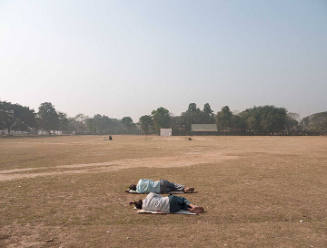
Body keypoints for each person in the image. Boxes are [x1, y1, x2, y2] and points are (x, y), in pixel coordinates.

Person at [129, 192, 204, 214]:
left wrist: (133, 203)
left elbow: (138, 206)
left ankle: (188, 209)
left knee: (180, 206)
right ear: (141, 200)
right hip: (169, 201)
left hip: (171, 210)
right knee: (182, 199)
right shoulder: (149, 196)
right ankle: (192, 206)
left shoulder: (145, 208)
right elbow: (159, 195)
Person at [127, 179, 194, 193]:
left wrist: (129, 191)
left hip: (161, 191)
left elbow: (133, 192)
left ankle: (183, 189)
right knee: (173, 185)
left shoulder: (139, 191)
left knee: (173, 189)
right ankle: (184, 188)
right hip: (159, 183)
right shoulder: (140, 181)